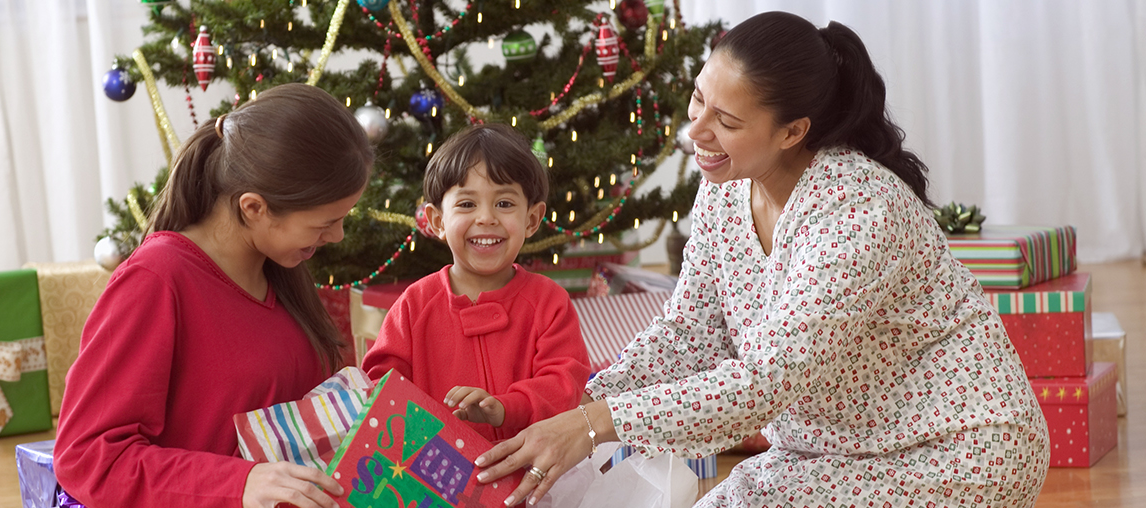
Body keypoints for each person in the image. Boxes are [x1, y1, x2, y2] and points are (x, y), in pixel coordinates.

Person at [473, 11, 1049, 508]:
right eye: (699, 98)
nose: (695, 130)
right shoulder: (726, 187)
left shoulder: (859, 209)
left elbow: (764, 382)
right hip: (822, 452)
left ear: (793, 131)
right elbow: (692, 334)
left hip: (957, 451)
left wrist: (597, 425)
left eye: (726, 121)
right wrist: (574, 404)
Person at [54, 83, 373, 508]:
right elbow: (89, 457)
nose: (338, 235)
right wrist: (239, 484)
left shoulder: (279, 267)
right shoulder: (156, 280)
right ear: (254, 208)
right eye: (324, 223)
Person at [361, 124, 591, 442]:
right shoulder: (414, 304)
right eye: (467, 204)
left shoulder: (548, 302)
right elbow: (381, 387)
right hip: (432, 476)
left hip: (531, 470)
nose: (486, 218)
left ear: (532, 219)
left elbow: (564, 384)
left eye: (505, 204)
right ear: (437, 221)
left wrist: (505, 407)